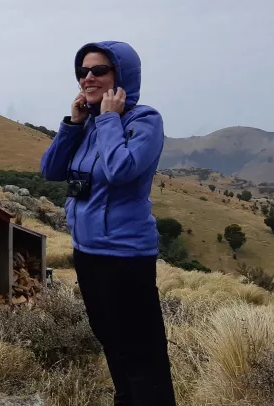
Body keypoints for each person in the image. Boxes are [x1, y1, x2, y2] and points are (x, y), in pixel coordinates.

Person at [40, 41, 175, 405]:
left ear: (121, 75)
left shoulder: (144, 120)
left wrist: (111, 118)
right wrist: (73, 123)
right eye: (83, 71)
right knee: (111, 339)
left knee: (141, 350)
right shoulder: (88, 122)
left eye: (99, 70)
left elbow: (121, 171)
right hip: (88, 252)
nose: (88, 77)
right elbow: (50, 170)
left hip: (126, 255)